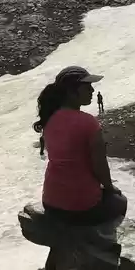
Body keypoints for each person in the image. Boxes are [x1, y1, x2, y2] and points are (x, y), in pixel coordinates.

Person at [34, 66, 126, 227]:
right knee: (119, 201)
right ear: (71, 92)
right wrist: (110, 188)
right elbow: (99, 165)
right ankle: (101, 244)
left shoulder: (49, 119)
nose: (92, 90)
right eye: (87, 86)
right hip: (81, 206)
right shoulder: (88, 122)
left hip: (51, 202)